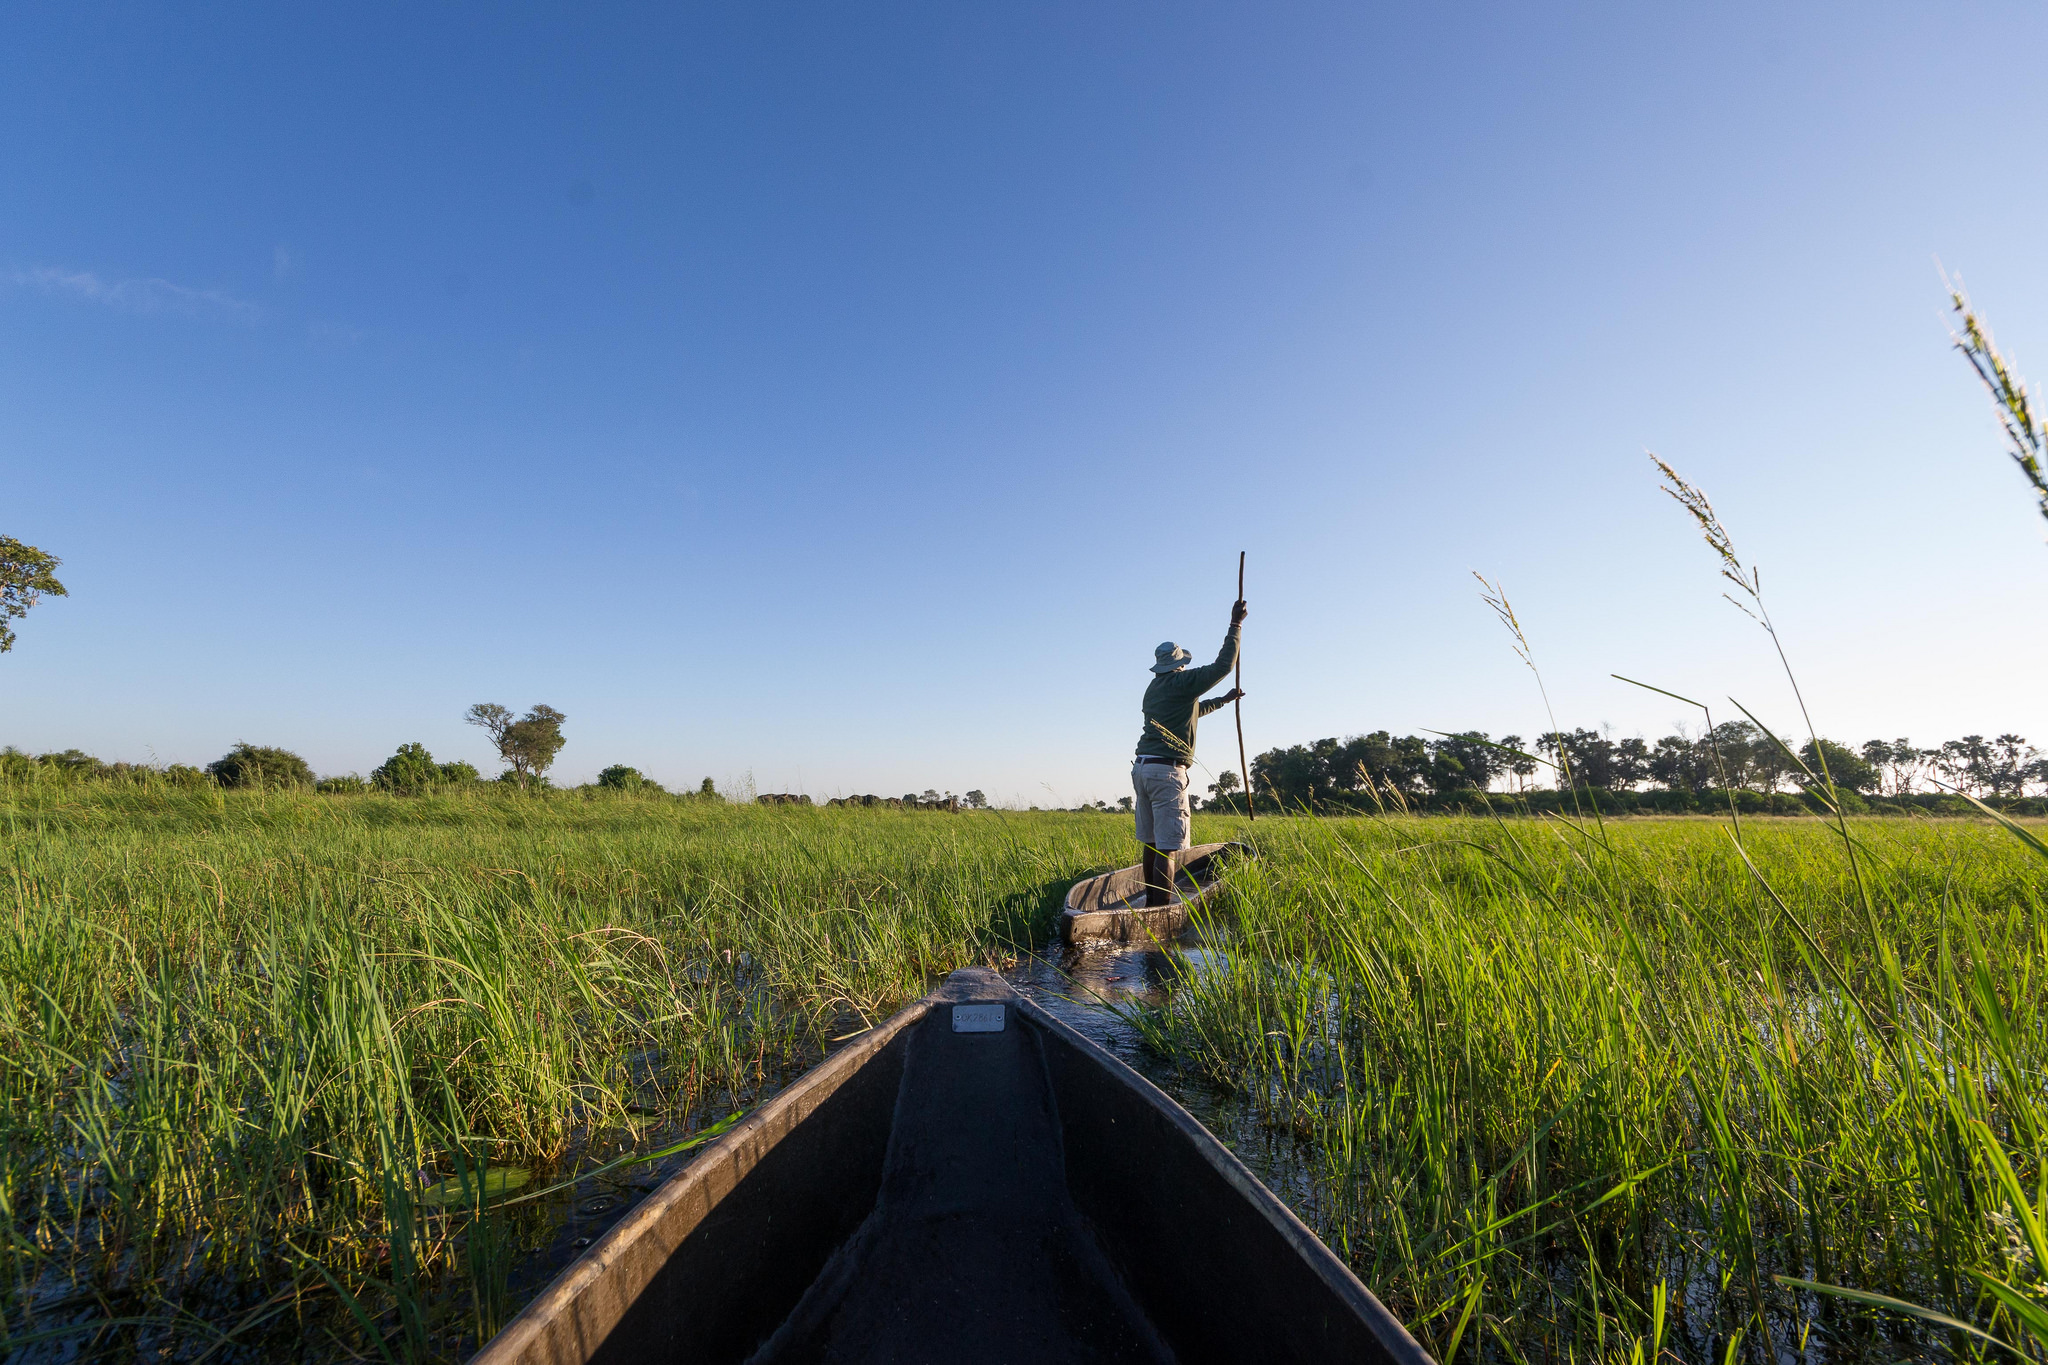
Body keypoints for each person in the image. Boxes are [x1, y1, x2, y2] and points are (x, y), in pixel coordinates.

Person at [1132, 598, 1247, 907]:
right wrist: (1235, 625)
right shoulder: (1182, 681)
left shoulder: (1155, 688)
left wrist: (1223, 700)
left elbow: (1192, 711)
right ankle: (1161, 910)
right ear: (1179, 664)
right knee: (1168, 849)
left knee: (1152, 843)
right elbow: (1224, 665)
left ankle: (1150, 903)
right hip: (1166, 772)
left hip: (1143, 769)